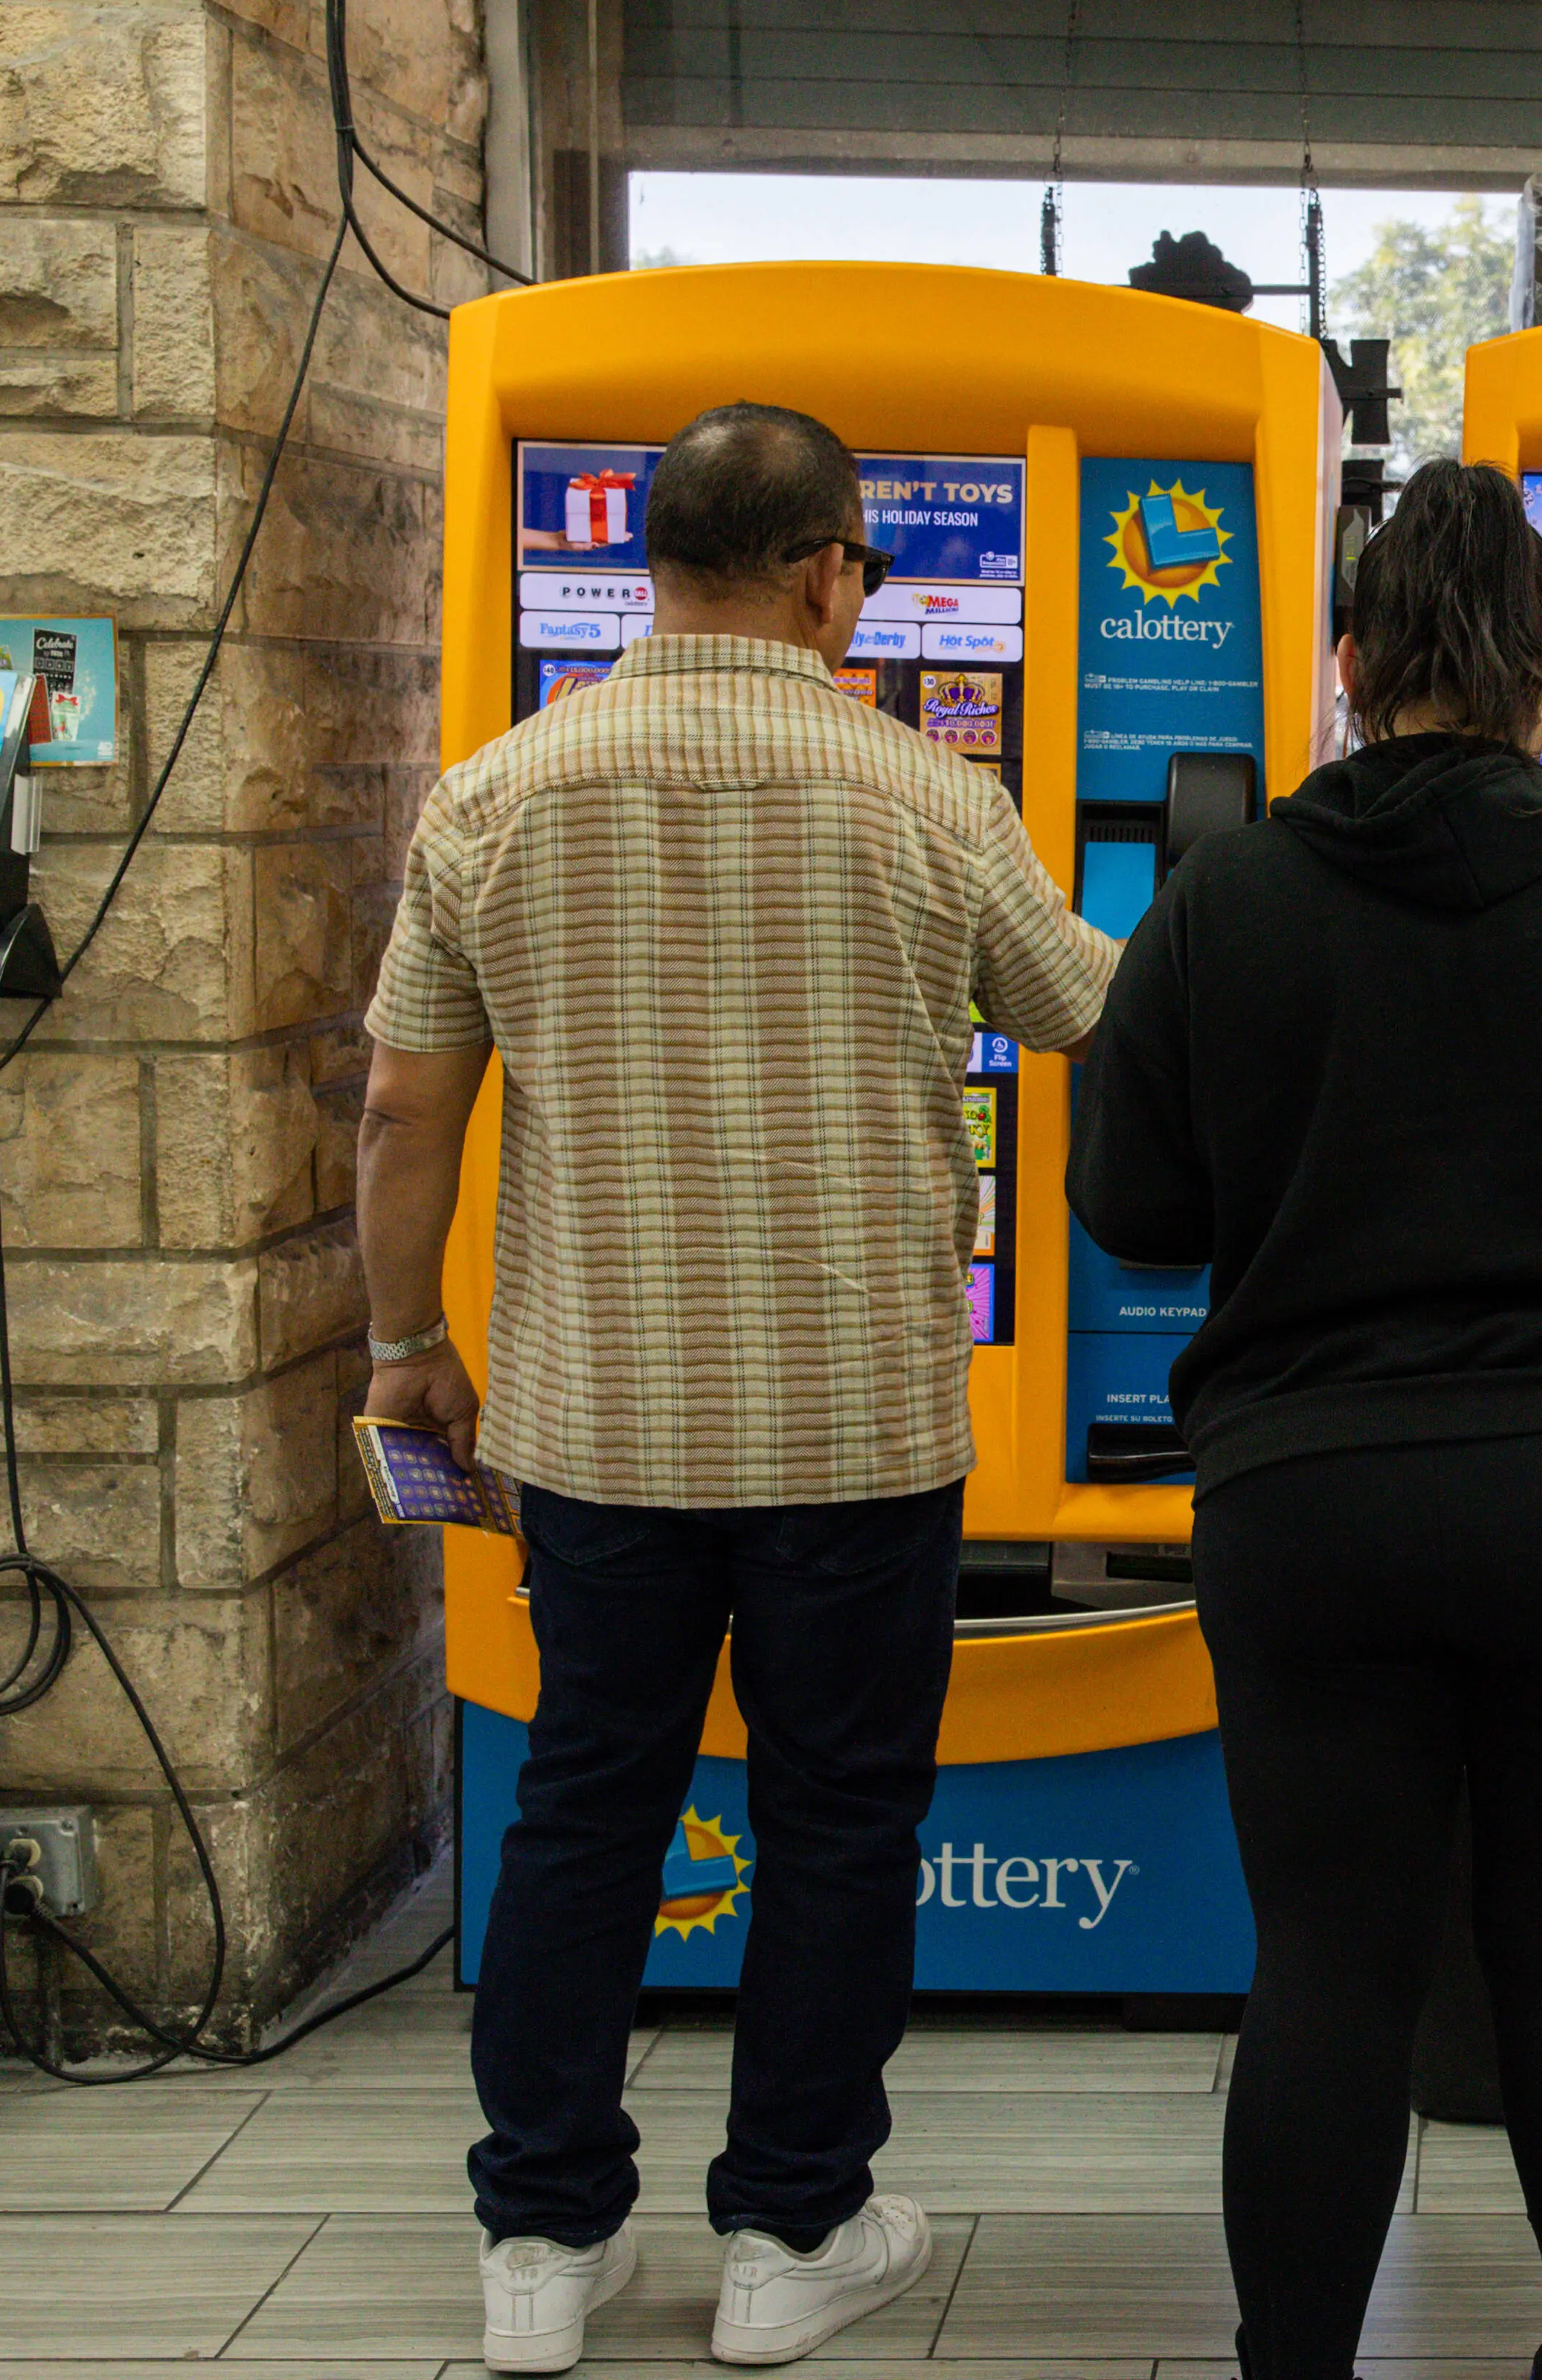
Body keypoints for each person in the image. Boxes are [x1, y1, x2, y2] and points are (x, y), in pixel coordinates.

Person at [358, 402, 1116, 2375]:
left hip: (591, 1422)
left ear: (647, 559)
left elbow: (398, 1108)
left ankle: (540, 2240)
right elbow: (1088, 1011)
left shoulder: (491, 795)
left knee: (586, 1809)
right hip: (859, 1425)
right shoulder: (925, 795)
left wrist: (400, 1343)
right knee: (842, 1818)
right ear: (820, 574)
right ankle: (789, 2228)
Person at [1066, 458, 1542, 2380]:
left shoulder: (1224, 890)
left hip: (1311, 1496)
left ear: (1347, 659)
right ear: (1541, 673)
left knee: (1329, 1959)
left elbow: (1132, 1200)